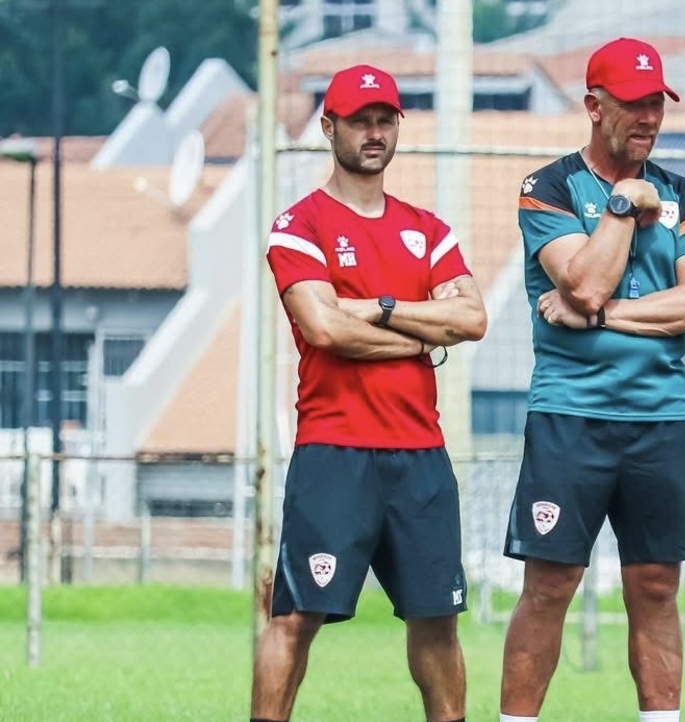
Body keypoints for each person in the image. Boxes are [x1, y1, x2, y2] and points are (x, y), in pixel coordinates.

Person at [252, 64, 487, 722]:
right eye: (360, 120)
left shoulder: (429, 229)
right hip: (335, 451)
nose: (375, 132)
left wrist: (379, 308)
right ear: (329, 127)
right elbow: (323, 326)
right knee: (296, 617)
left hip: (421, 456)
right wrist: (420, 337)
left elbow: (471, 319)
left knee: (437, 619)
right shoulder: (299, 225)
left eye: (385, 120)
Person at [499, 37, 685, 722]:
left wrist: (598, 315)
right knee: (551, 584)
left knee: (657, 585)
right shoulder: (550, 187)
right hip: (570, 416)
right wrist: (624, 207)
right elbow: (587, 278)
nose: (648, 117)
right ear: (594, 107)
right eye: (633, 104)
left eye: (656, 102)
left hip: (663, 418)